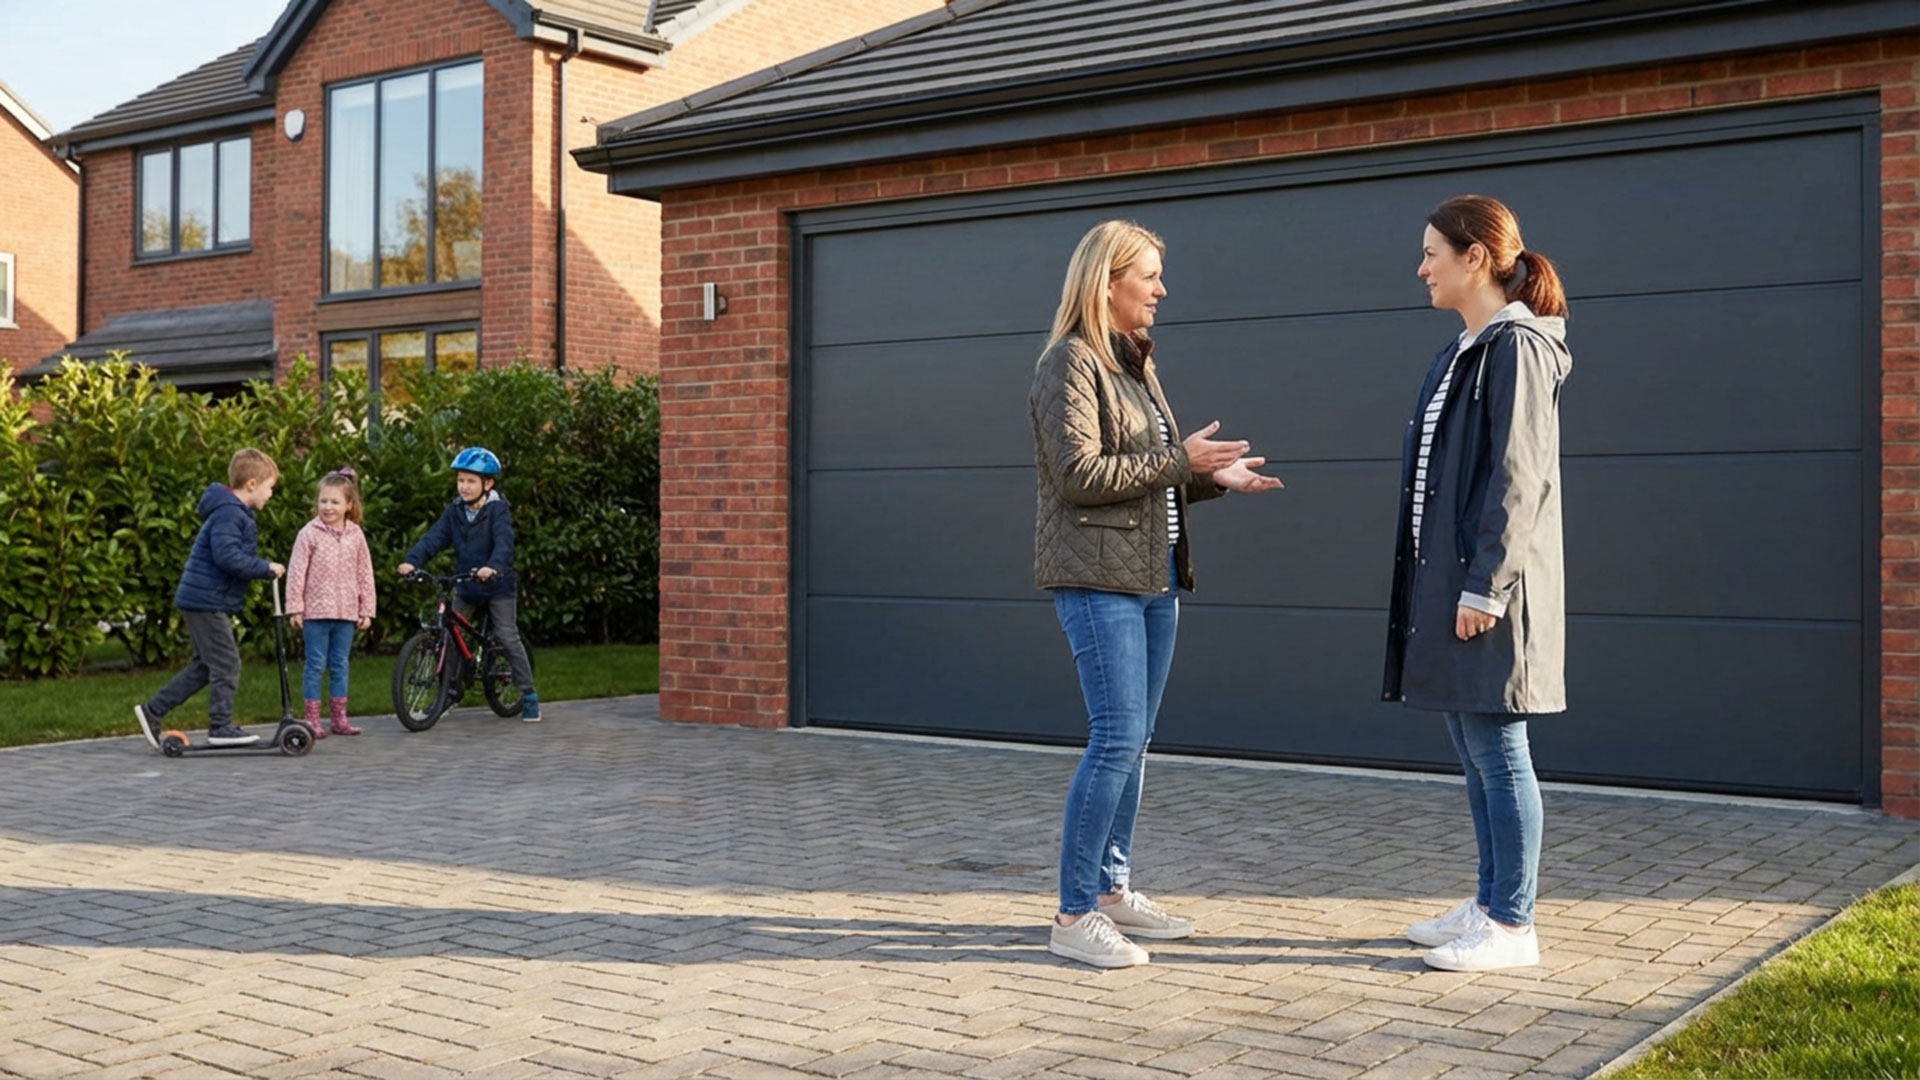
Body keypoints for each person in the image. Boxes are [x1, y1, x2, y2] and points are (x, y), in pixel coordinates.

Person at [1030, 220, 1284, 968]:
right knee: (1114, 739)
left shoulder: (1134, 361)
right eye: (1148, 276)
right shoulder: (1069, 362)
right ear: (1106, 283)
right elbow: (1079, 476)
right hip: (1098, 581)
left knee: (1134, 742)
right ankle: (1074, 914)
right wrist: (1181, 461)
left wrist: (1211, 478)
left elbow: (1148, 482)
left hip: (1154, 577)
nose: (1161, 290)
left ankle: (1110, 890)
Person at [1383, 194, 1573, 972]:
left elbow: (1517, 477)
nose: (1421, 268)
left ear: (1475, 258)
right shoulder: (1464, 349)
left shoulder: (1517, 347)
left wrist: (1486, 586)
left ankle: (1513, 925)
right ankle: (1492, 900)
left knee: (1498, 747)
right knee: (1473, 745)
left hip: (1493, 589)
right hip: (1455, 580)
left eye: (1432, 253)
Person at [133, 448, 287, 748]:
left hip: (203, 599)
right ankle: (220, 726)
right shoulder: (230, 513)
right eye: (270, 487)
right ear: (252, 484)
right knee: (227, 664)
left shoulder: (230, 511)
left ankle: (153, 710)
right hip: (206, 600)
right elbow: (227, 555)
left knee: (205, 666)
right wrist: (264, 567)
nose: (270, 494)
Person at [397, 447, 540, 721]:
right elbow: (434, 538)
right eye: (461, 480)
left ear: (488, 483)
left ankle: (529, 695)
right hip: (467, 584)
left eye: (471, 481)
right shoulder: (455, 511)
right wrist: (412, 561)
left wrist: (493, 566)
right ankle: (450, 692)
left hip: (497, 586)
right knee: (450, 636)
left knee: (507, 636)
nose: (464, 486)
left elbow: (504, 543)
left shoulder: (497, 510)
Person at [286, 468, 377, 738]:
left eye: (335, 502)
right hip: (315, 612)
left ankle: (339, 718)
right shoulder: (308, 534)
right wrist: (295, 607)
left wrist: (366, 609)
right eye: (323, 501)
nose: (328, 507)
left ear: (349, 505)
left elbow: (365, 573)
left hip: (346, 612)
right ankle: (312, 719)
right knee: (315, 664)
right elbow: (296, 572)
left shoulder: (356, 535)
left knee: (340, 664)